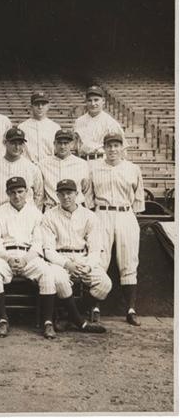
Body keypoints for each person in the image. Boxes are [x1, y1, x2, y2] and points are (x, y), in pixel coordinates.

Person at [0, 177, 60, 339]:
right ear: (7, 193)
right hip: (6, 255)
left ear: (27, 192)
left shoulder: (36, 214)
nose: (17, 196)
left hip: (29, 256)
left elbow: (38, 242)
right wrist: (8, 258)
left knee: (47, 273)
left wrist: (25, 260)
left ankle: (47, 322)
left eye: (20, 192)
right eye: (12, 192)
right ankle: (2, 319)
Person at [85, 133, 145, 326]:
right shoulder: (94, 168)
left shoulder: (133, 168)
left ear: (122, 147)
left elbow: (138, 200)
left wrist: (129, 218)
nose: (112, 149)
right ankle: (95, 307)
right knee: (99, 260)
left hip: (126, 213)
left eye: (116, 145)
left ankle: (131, 309)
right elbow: (88, 197)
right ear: (104, 148)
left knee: (128, 261)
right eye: (109, 146)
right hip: (101, 213)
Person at [42, 179, 112, 331]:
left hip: (83, 259)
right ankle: (76, 319)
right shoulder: (49, 216)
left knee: (104, 284)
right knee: (59, 280)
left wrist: (88, 267)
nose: (66, 197)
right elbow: (48, 250)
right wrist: (67, 265)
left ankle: (69, 315)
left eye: (69, 193)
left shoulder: (89, 216)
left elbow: (95, 249)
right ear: (57, 196)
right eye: (62, 194)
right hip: (60, 260)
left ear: (77, 194)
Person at [0, 127, 44, 215]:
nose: (17, 147)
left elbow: (39, 195)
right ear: (5, 143)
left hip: (25, 217)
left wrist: (33, 215)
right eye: (13, 143)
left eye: (20, 143)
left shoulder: (32, 168)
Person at [38, 129, 90, 210]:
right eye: (59, 143)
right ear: (54, 144)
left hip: (75, 210)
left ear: (72, 144)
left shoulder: (82, 164)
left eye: (66, 143)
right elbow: (40, 192)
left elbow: (86, 190)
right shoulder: (43, 164)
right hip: (52, 208)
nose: (62, 146)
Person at [74, 85, 124, 160]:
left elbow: (122, 149)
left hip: (102, 160)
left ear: (103, 101)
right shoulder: (78, 121)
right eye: (89, 100)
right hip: (82, 161)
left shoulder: (111, 122)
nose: (93, 104)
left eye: (96, 100)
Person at [18, 91, 61, 164]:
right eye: (36, 104)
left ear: (48, 106)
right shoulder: (22, 127)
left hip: (49, 166)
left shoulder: (55, 127)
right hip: (28, 166)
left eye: (43, 104)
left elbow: (58, 151)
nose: (40, 107)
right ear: (31, 107)